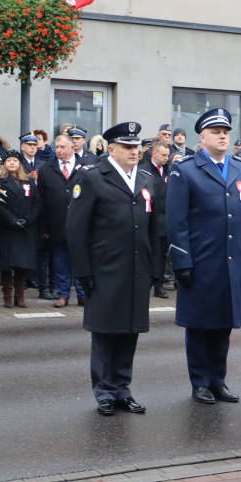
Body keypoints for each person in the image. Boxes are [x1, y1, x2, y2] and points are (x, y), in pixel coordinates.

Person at [166, 108, 241, 404]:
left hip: (231, 261)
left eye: (226, 132)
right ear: (202, 136)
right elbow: (176, 220)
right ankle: (200, 382)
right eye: (216, 132)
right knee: (199, 326)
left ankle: (218, 380)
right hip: (201, 261)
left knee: (224, 325)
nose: (223, 136)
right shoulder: (186, 169)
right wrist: (181, 260)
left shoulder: (240, 169)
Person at [66, 121, 157, 416]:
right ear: (111, 149)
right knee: (105, 332)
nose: (135, 152)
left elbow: (153, 227)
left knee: (130, 329)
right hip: (104, 268)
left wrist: (155, 268)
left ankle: (122, 388)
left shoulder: (145, 178)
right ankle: (104, 391)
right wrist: (82, 272)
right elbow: (76, 229)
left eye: (137, 146)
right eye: (128, 147)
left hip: (136, 267)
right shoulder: (92, 177)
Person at [37, 134, 87, 307]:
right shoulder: (46, 169)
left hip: (81, 224)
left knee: (81, 260)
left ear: (72, 147)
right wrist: (43, 227)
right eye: (56, 147)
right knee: (60, 261)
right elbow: (41, 200)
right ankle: (63, 294)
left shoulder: (86, 166)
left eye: (62, 147)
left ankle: (82, 294)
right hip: (57, 224)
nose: (59, 151)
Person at [0, 150, 40, 309]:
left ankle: (19, 295)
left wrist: (28, 220)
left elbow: (36, 203)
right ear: (4, 164)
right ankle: (7, 295)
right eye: (8, 161)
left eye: (15, 160)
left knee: (22, 263)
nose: (12, 163)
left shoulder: (28, 181)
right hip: (8, 227)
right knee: (7, 264)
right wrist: (12, 221)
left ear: (20, 163)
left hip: (25, 228)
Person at [142, 139, 171, 299]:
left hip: (165, 220)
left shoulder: (170, 171)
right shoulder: (143, 170)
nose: (166, 158)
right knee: (148, 254)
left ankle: (159, 284)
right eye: (163, 155)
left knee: (161, 255)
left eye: (168, 155)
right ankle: (146, 282)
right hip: (149, 220)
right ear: (154, 153)